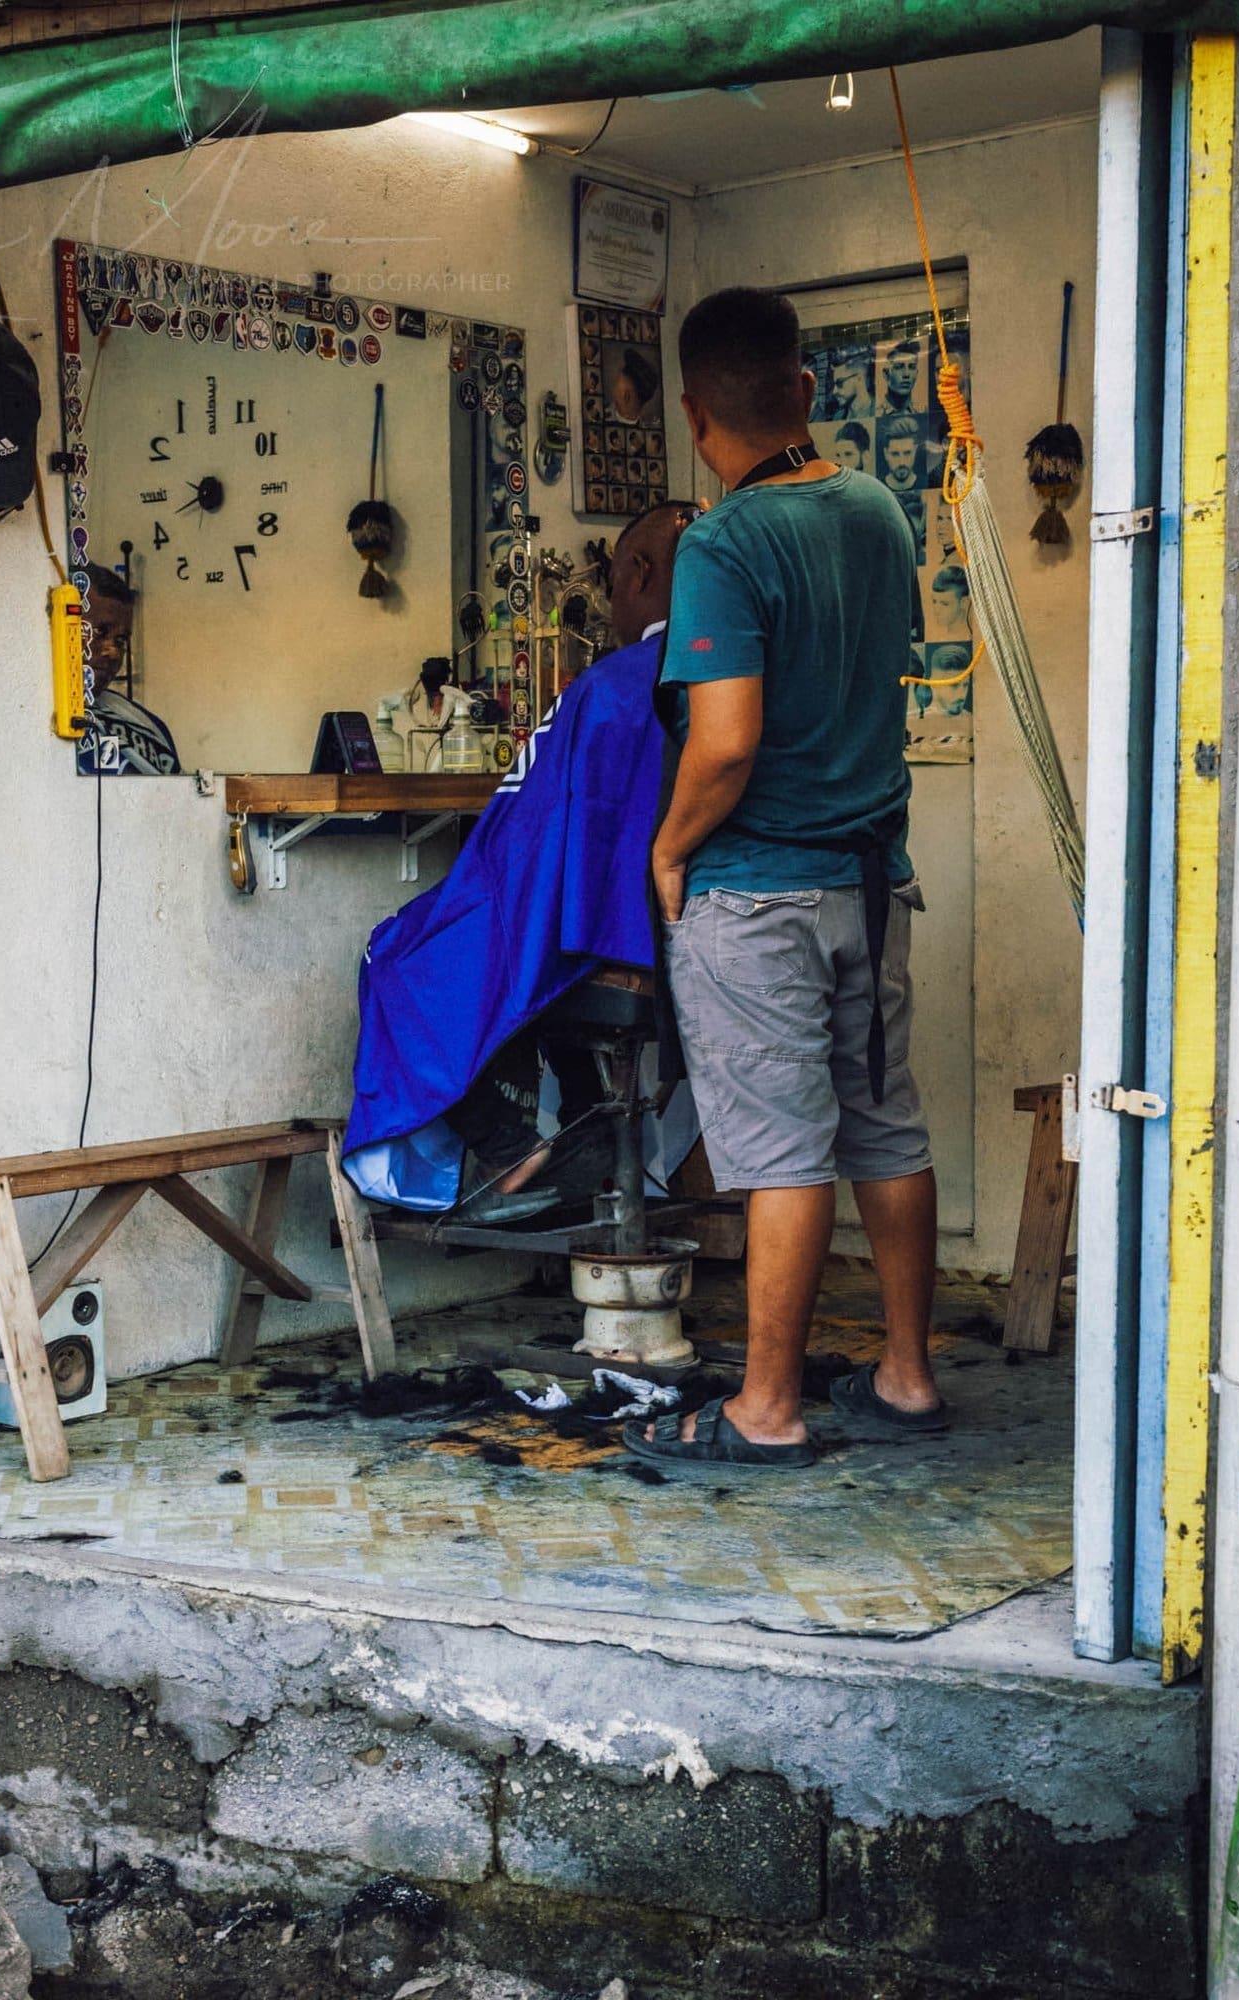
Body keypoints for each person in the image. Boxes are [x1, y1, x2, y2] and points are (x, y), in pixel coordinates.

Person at [631, 285, 941, 1475]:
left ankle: (766, 1406)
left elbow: (723, 742)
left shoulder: (721, 542)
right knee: (883, 1124)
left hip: (758, 890)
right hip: (873, 879)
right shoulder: (876, 509)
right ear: (804, 391)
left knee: (778, 1149)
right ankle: (906, 1375)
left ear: (697, 415)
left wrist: (667, 847)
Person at [344, 503, 695, 1216]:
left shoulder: (608, 688)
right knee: (531, 961)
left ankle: (508, 1144)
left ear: (640, 572)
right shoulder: (731, 682)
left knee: (400, 955)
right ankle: (588, 1116)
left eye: (612, 593)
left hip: (602, 944)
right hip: (681, 933)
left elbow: (528, 849)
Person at [77, 564, 182, 775]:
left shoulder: (146, 723)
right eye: (100, 631)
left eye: (121, 639)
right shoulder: (42, 719)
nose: (113, 651)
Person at [879, 414, 924, 494]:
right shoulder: (877, 488)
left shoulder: (926, 483)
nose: (901, 462)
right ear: (885, 453)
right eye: (895, 454)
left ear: (915, 450)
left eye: (907, 453)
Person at [879, 338, 923, 413]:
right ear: (886, 374)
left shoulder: (922, 410)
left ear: (916, 374)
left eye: (912, 367)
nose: (906, 374)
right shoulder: (873, 411)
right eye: (898, 367)